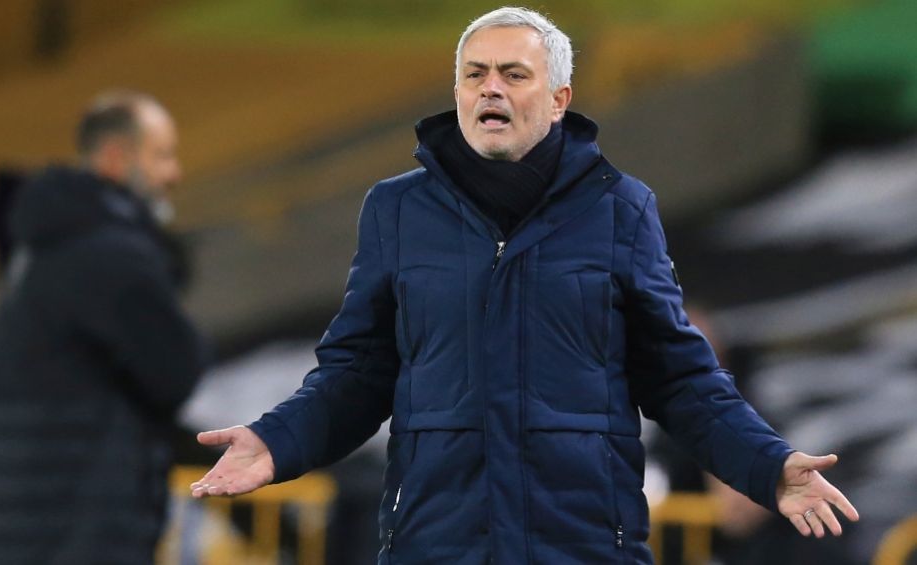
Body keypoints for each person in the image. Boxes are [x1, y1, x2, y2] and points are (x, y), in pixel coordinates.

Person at [190, 8, 859, 563]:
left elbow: (681, 378)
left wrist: (766, 465)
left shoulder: (621, 210)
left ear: (559, 99)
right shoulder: (396, 210)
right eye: (474, 74)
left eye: (514, 74)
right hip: (438, 545)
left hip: (580, 547)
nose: (491, 89)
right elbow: (358, 373)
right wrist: (278, 439)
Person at [0, 90, 209, 564]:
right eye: (161, 156)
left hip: (27, 524)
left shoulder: (39, 246)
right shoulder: (109, 251)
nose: (174, 173)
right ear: (116, 158)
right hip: (86, 527)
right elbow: (177, 370)